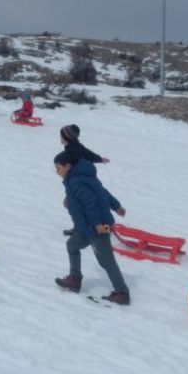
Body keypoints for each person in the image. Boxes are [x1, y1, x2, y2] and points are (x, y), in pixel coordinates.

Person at [53, 151, 130, 305]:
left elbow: (91, 203)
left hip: (98, 227)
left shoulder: (75, 182)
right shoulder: (84, 178)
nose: (57, 171)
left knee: (106, 260)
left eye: (58, 168)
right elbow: (103, 193)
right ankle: (75, 279)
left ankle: (122, 292)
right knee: (72, 245)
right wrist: (117, 206)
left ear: (68, 166)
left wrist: (97, 225)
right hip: (88, 227)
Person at [59, 124, 110, 236]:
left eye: (62, 136)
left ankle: (85, 227)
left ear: (68, 137)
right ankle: (91, 225)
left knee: (71, 203)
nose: (60, 138)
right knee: (72, 203)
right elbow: (88, 153)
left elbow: (86, 154)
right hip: (80, 181)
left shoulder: (73, 149)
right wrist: (99, 159)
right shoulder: (74, 146)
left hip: (80, 182)